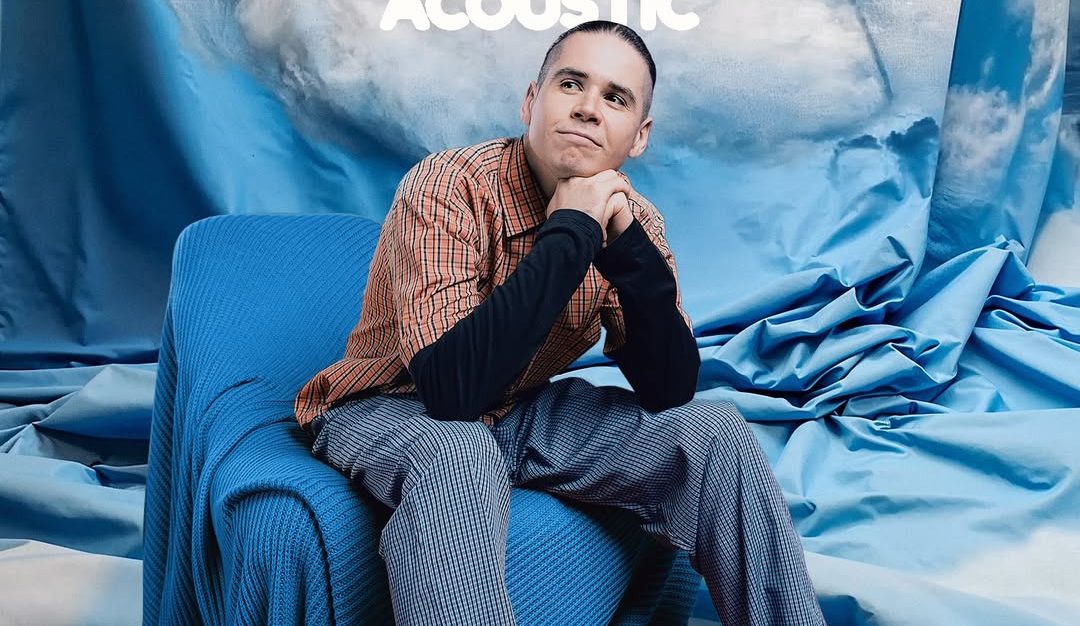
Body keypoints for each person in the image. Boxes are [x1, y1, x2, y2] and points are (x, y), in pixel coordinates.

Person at [294, 19, 825, 625]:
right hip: (392, 404)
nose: (588, 108)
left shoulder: (633, 217)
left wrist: (627, 252)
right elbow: (451, 390)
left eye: (615, 98)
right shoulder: (447, 185)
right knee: (459, 450)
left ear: (639, 136)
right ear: (531, 101)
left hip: (518, 411)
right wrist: (571, 232)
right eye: (571, 84)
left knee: (715, 431)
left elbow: (669, 387)